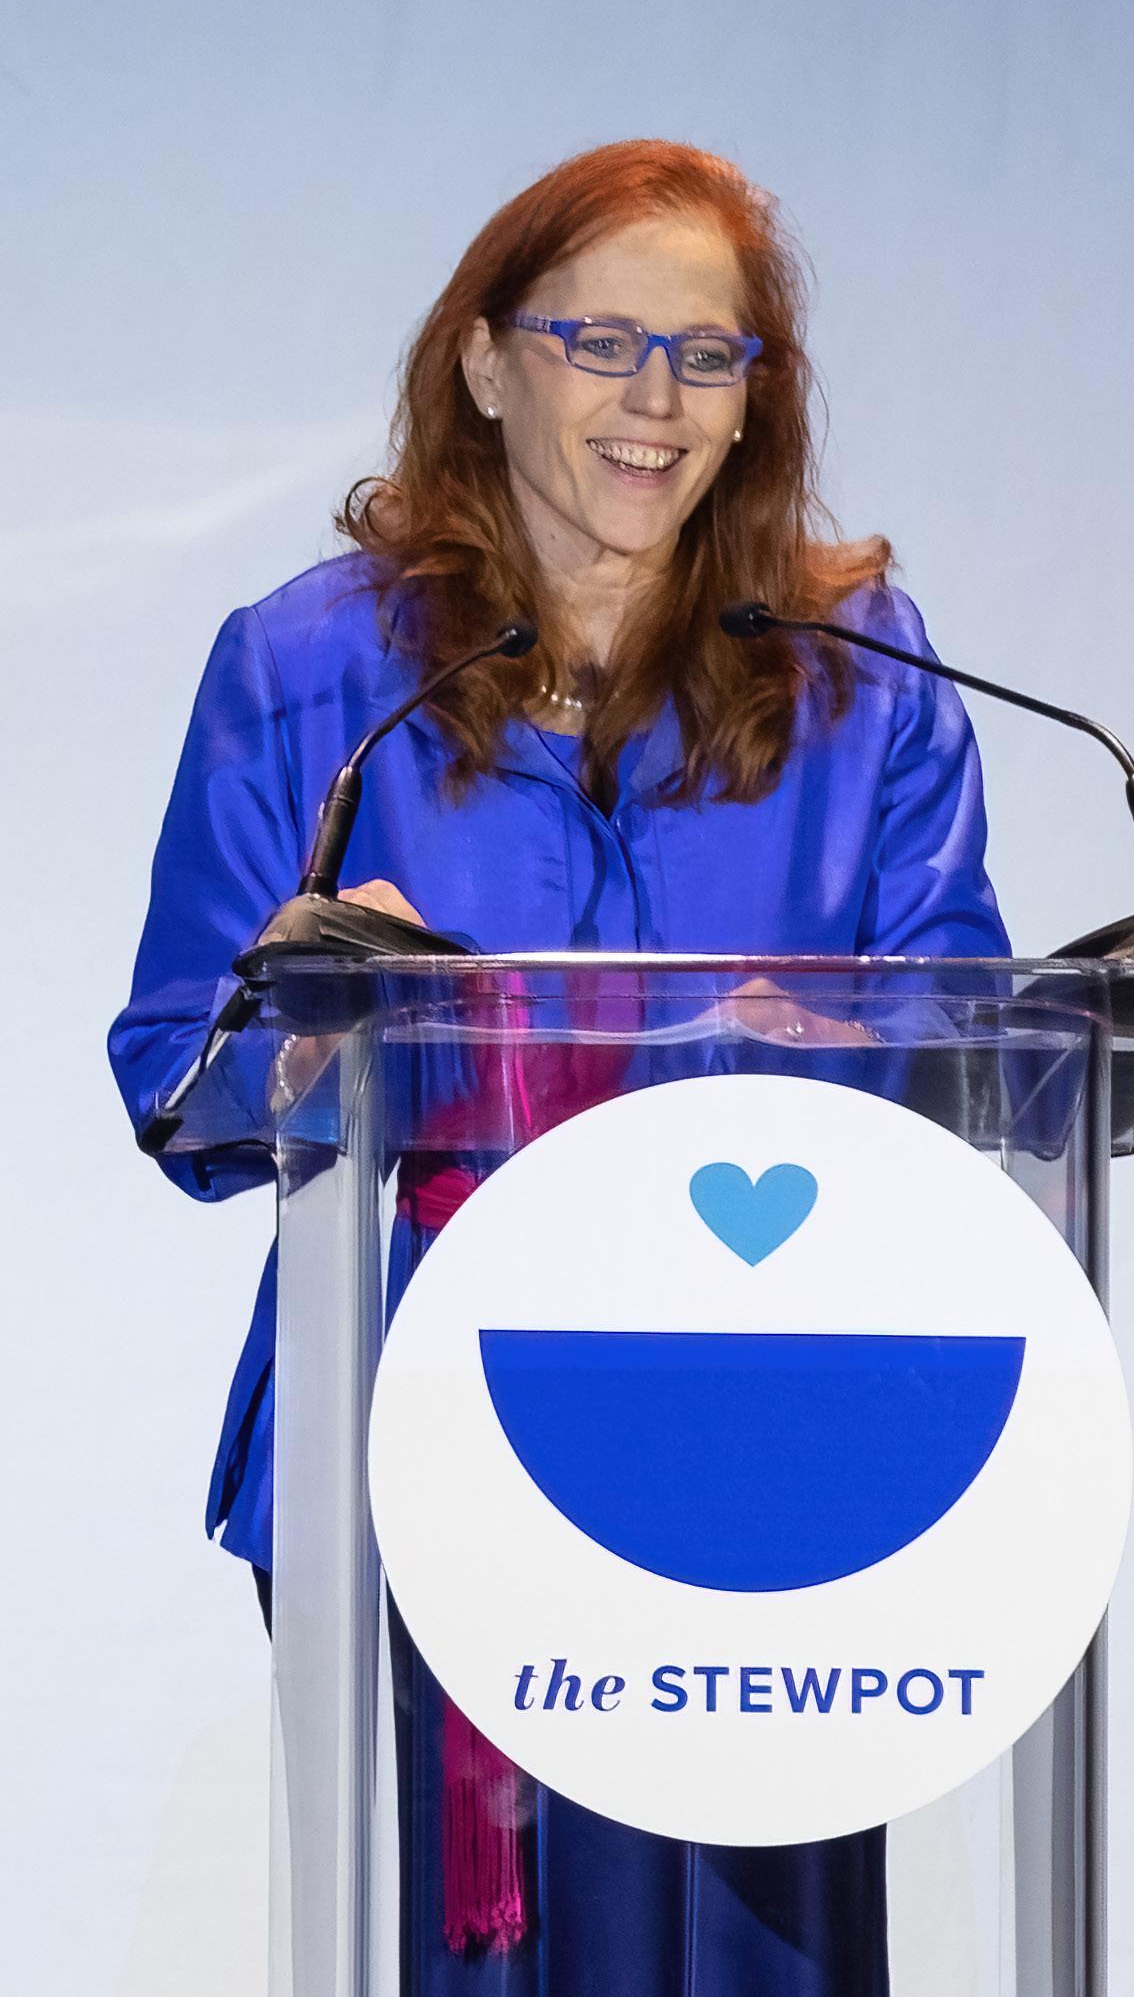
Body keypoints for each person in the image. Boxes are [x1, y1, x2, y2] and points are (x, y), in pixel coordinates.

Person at [108, 139, 1009, 1995]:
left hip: (768, 1434)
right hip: (415, 1426)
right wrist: (305, 1019)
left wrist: (855, 1048)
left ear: (756, 398)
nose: (654, 400)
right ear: (485, 362)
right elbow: (173, 1068)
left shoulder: (857, 670)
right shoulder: (310, 670)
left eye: (708, 353)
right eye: (601, 342)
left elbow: (981, 1040)